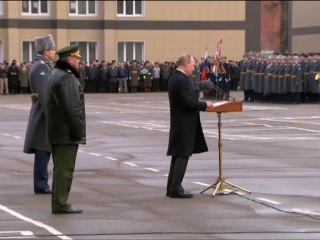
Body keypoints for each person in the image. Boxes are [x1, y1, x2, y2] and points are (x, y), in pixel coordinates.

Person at [166, 54, 213, 198]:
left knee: (178, 155)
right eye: (193, 64)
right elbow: (188, 102)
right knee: (182, 155)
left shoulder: (176, 77)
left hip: (179, 122)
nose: (194, 67)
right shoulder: (181, 80)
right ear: (186, 64)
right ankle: (175, 188)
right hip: (184, 123)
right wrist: (205, 104)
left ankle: (172, 187)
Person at [46, 44, 86, 214]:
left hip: (57, 130)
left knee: (60, 168)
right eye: (76, 58)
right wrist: (78, 133)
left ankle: (59, 202)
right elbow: (73, 109)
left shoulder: (56, 74)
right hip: (66, 132)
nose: (78, 61)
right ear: (69, 59)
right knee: (65, 170)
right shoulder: (67, 78)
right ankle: (61, 203)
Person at [23, 34, 56, 194]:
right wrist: (52, 117)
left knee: (44, 149)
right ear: (45, 51)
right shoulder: (41, 67)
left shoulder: (42, 65)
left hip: (43, 114)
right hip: (43, 116)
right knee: (43, 150)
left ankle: (41, 183)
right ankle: (41, 184)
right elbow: (45, 95)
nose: (54, 52)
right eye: (52, 49)